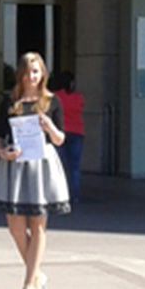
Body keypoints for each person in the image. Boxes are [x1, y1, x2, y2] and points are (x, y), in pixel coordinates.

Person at [0, 52, 71, 289]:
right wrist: (2, 151)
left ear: (42, 74)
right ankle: (36, 274)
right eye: (27, 72)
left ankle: (29, 285)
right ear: (21, 74)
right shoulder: (10, 102)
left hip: (41, 165)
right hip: (16, 164)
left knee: (37, 224)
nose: (31, 76)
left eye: (35, 71)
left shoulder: (51, 101)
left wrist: (49, 127)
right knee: (15, 226)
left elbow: (60, 139)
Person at [52, 71, 85, 202]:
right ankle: (75, 195)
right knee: (74, 167)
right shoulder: (79, 97)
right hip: (77, 132)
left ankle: (60, 194)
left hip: (60, 132)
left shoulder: (55, 97)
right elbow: (81, 108)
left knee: (59, 166)